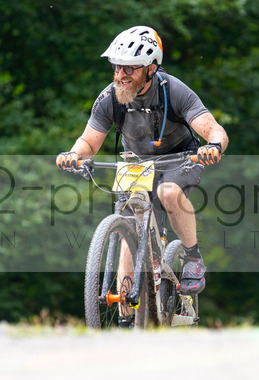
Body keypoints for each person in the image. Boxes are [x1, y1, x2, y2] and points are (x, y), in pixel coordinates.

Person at [56, 25, 229, 298]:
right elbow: (88, 142)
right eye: (116, 67)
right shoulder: (109, 98)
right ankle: (125, 316)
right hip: (136, 165)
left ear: (150, 68)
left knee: (168, 192)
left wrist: (214, 146)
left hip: (180, 159)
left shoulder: (174, 90)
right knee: (128, 238)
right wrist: (73, 155)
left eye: (129, 68)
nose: (120, 75)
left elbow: (214, 129)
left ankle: (192, 257)